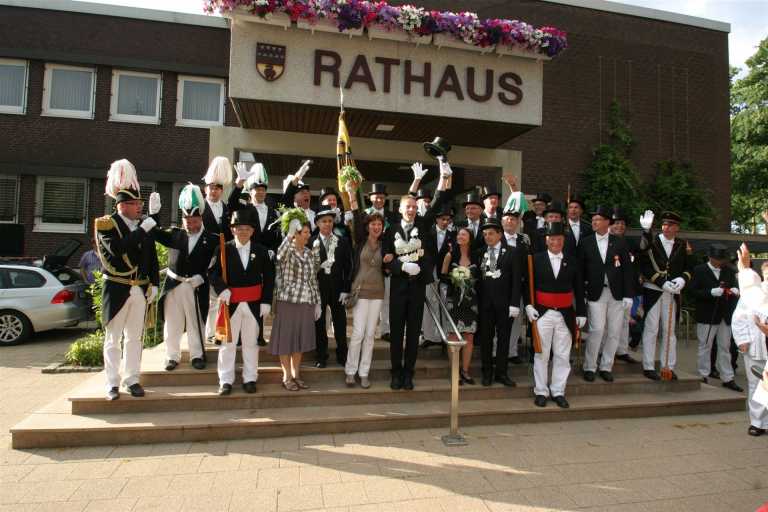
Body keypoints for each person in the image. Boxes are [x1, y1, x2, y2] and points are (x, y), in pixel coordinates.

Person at [384, 159, 451, 391]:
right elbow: (386, 256)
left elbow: (438, 201)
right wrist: (400, 267)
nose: (411, 210)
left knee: (413, 333)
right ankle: (395, 372)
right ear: (400, 209)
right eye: (408, 207)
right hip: (398, 286)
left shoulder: (422, 225)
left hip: (417, 287)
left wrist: (443, 177)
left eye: (414, 207)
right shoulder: (391, 229)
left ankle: (408, 373)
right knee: (396, 333)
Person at [95, 159, 160, 401]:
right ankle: (112, 383)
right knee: (113, 339)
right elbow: (117, 249)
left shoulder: (142, 225)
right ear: (122, 205)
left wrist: (154, 282)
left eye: (139, 204)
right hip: (117, 287)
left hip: (139, 289)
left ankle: (132, 379)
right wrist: (142, 230)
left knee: (135, 338)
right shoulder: (106, 224)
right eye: (135, 204)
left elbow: (151, 257)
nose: (139, 207)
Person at [209, 209, 274, 395]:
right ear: (233, 230)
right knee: (227, 344)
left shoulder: (261, 251)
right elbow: (212, 273)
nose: (243, 231)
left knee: (251, 344)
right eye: (239, 228)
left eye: (247, 228)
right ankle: (225, 380)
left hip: (254, 304)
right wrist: (222, 289)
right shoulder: (223, 249)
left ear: (252, 231)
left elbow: (269, 277)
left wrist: (266, 301)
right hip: (231, 304)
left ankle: (250, 378)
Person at [154, 184, 219, 371]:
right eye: (187, 221)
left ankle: (197, 355)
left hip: (196, 286)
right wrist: (154, 215)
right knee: (172, 323)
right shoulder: (175, 235)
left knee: (195, 322)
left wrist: (204, 277)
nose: (191, 225)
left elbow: (216, 265)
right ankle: (171, 356)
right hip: (174, 285)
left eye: (194, 221)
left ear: (201, 219)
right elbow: (154, 232)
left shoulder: (212, 239)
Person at [525, 221, 586, 409]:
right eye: (552, 239)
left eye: (559, 239)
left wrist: (581, 312)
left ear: (563, 241)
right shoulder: (536, 260)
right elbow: (527, 284)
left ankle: (558, 391)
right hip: (542, 313)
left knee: (562, 355)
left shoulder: (573, 261)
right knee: (541, 354)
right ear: (546, 240)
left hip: (565, 314)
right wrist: (528, 305)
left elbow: (579, 288)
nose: (556, 242)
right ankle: (541, 391)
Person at [344, 182, 392, 388]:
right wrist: (351, 194)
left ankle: (364, 373)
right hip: (360, 292)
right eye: (373, 224)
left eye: (379, 224)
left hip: (378, 293)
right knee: (357, 334)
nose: (376, 227)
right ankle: (350, 371)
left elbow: (388, 268)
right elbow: (356, 216)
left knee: (370, 336)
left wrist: (390, 261)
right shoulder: (360, 241)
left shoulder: (386, 244)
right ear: (367, 226)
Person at [579, 206, 634, 382]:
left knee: (614, 331)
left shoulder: (619, 242)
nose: (594, 222)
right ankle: (589, 366)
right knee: (596, 330)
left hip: (616, 293)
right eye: (593, 219)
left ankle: (606, 366)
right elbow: (580, 271)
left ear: (607, 222)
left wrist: (628, 294)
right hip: (595, 293)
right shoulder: (586, 242)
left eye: (598, 219)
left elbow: (627, 270)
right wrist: (582, 293)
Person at [637, 210, 693, 381]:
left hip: (673, 292)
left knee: (670, 331)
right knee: (651, 329)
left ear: (677, 228)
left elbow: (689, 267)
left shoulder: (682, 245)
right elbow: (644, 263)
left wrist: (683, 279)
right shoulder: (653, 242)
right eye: (664, 224)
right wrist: (661, 282)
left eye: (671, 225)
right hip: (654, 290)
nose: (667, 227)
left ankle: (667, 366)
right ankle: (648, 366)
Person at [269, 213, 322, 391]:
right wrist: (290, 233)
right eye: (305, 232)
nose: (308, 235)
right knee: (286, 340)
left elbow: (313, 280)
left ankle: (296, 374)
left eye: (308, 232)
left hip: (306, 302)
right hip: (287, 302)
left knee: (299, 340)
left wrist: (317, 302)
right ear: (296, 234)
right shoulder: (287, 250)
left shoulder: (310, 253)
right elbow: (279, 256)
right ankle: (287, 376)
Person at [690, 243, 742, 391]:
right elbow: (692, 291)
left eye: (722, 259)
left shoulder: (729, 271)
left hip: (725, 314)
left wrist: (735, 290)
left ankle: (728, 377)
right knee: (705, 345)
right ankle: (703, 374)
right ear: (710, 257)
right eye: (718, 259)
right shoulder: (699, 270)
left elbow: (733, 286)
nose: (720, 262)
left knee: (725, 347)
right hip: (707, 314)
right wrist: (710, 292)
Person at [476, 218, 521, 386]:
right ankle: (487, 372)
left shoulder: (512, 252)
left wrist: (514, 303)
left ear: (499, 234)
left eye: (491, 234)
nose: (487, 237)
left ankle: (501, 373)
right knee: (486, 339)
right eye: (485, 234)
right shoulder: (480, 252)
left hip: (505, 305)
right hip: (485, 305)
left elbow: (517, 280)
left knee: (504, 339)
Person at [731, 244, 768, 436]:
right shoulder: (753, 294)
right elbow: (739, 318)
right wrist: (742, 340)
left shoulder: (754, 293)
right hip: (755, 346)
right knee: (756, 384)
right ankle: (757, 422)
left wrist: (744, 270)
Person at [311, 208, 353, 368]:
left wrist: (346, 289)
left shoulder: (342, 241)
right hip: (318, 290)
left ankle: (342, 354)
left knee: (340, 323)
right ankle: (321, 356)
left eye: (330, 221)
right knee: (319, 324)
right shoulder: (310, 241)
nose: (327, 224)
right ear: (317, 223)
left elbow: (349, 267)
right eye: (324, 221)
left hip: (338, 289)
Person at [441, 226, 479, 384]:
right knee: (453, 336)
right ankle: (454, 371)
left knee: (469, 336)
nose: (460, 237)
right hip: (454, 300)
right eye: (459, 234)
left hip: (471, 302)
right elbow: (443, 276)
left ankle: (465, 371)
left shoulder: (476, 256)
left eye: (464, 234)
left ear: (470, 238)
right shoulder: (450, 255)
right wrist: (455, 279)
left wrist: (469, 282)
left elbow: (480, 277)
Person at [202, 156, 234, 342]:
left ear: (222, 190)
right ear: (206, 189)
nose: (214, 191)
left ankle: (218, 329)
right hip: (204, 254)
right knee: (206, 296)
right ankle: (208, 332)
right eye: (211, 187)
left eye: (217, 188)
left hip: (222, 255)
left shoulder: (226, 208)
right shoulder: (200, 206)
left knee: (219, 294)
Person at [365, 182, 399, 341]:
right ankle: (369, 330)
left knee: (387, 299)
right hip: (368, 263)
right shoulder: (364, 215)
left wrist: (392, 258)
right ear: (370, 198)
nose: (379, 200)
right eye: (376, 197)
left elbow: (397, 240)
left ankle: (386, 330)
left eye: (382, 197)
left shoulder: (393, 216)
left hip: (387, 262)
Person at [608, 207, 641, 364]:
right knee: (607, 323)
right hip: (610, 287)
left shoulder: (630, 243)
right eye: (616, 223)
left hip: (627, 288)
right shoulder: (606, 241)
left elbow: (637, 261)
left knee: (624, 320)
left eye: (622, 223)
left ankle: (622, 350)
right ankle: (605, 350)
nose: (619, 226)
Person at [421, 204, 455, 350]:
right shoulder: (427, 233)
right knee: (429, 304)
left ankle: (443, 336)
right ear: (436, 219)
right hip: (429, 272)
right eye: (442, 219)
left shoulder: (453, 235)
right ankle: (429, 336)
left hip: (444, 274)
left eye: (448, 219)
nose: (445, 222)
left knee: (444, 303)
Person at [501, 207, 530, 364]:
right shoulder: (497, 238)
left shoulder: (524, 240)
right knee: (499, 321)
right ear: (502, 222)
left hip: (519, 286)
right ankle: (497, 351)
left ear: (518, 222)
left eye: (513, 219)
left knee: (516, 320)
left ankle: (512, 352)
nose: (510, 221)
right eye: (507, 218)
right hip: (500, 286)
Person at [282, 160, 316, 230]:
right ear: (294, 197)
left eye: (308, 192)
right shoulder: (289, 211)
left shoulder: (316, 214)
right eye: (302, 192)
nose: (306, 194)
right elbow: (288, 197)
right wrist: (297, 178)